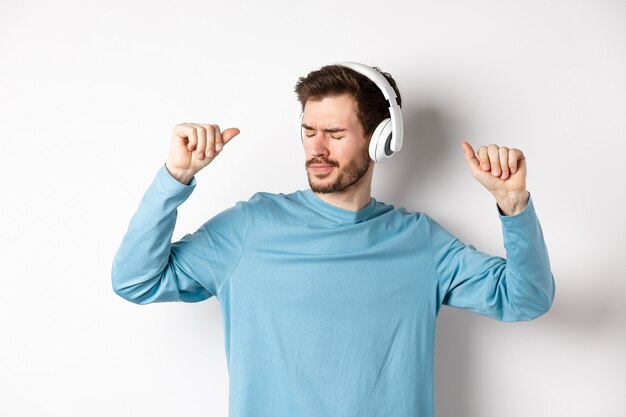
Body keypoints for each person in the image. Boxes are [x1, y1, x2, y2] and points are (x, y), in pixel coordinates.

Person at [111, 62, 555, 417]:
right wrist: (176, 179)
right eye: (309, 131)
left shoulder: (421, 243)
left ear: (381, 140)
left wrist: (514, 208)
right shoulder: (249, 228)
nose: (316, 148)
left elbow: (527, 298)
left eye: (336, 134)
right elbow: (135, 280)